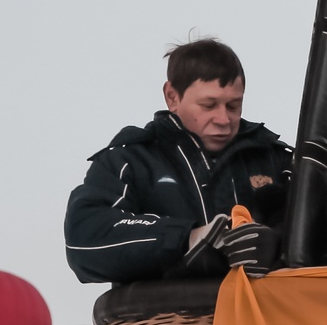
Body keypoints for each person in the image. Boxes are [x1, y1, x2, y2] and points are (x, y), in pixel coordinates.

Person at [65, 38, 291, 283]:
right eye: (209, 105)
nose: (223, 119)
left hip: (262, 316)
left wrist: (277, 241)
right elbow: (84, 240)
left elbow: (326, 224)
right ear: (172, 97)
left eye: (234, 106)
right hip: (169, 318)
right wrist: (187, 238)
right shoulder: (128, 161)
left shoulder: (273, 158)